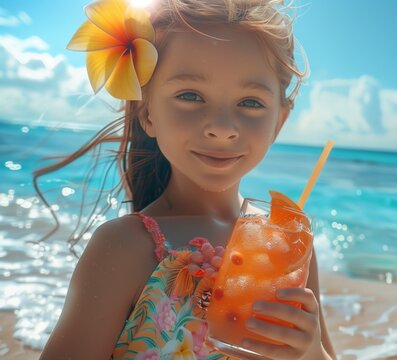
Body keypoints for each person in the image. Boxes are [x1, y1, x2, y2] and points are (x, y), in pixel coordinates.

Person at [37, 0, 337, 358]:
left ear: (280, 121)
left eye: (251, 102)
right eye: (190, 96)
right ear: (147, 112)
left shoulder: (289, 245)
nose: (222, 128)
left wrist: (311, 352)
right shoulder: (124, 247)